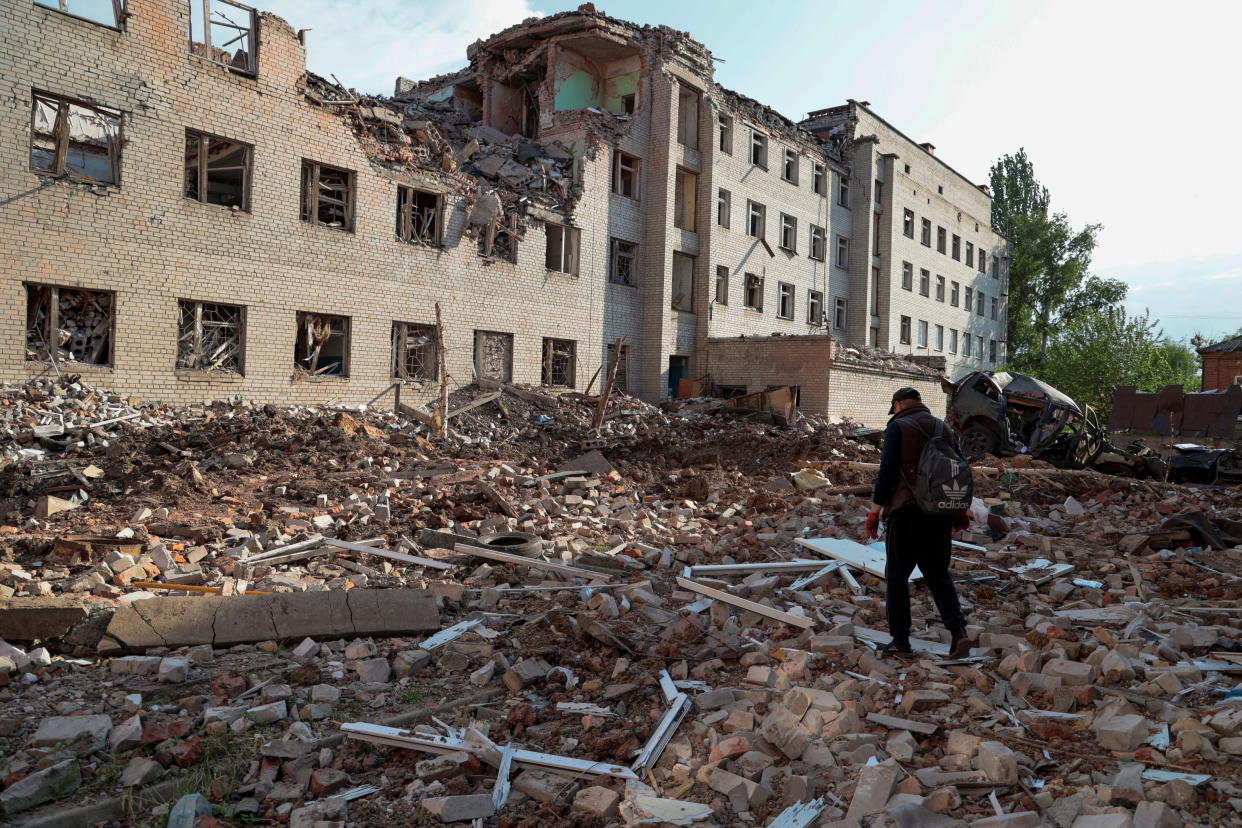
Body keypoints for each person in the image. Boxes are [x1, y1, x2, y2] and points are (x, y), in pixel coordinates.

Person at [864, 387, 972, 658]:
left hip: (906, 512)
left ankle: (901, 641)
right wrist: (959, 509)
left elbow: (886, 473)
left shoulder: (898, 427)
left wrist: (874, 512)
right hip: (939, 513)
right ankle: (959, 633)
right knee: (938, 575)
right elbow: (957, 469)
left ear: (898, 405)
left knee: (898, 578)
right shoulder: (943, 428)